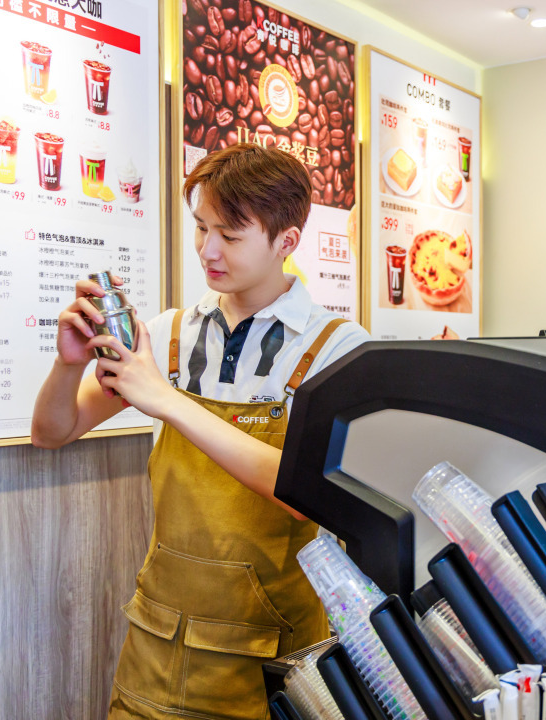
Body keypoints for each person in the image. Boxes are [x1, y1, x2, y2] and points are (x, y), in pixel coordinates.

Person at [31, 143, 369, 720]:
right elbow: (52, 431)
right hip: (159, 639)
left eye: (230, 235)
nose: (208, 250)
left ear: (286, 241)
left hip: (276, 656)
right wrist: (67, 365)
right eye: (201, 228)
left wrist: (168, 401)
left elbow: (305, 492)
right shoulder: (168, 335)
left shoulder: (337, 347)